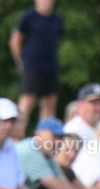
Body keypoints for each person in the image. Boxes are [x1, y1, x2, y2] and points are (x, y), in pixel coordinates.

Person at [9, 0, 63, 135]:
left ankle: (46, 139)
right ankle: (16, 137)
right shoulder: (28, 17)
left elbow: (56, 40)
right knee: (26, 105)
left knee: (49, 106)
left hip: (51, 67)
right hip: (32, 66)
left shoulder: (56, 19)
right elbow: (15, 40)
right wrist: (21, 63)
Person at [0, 98, 32, 189]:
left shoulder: (10, 146)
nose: (8, 126)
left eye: (12, 121)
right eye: (3, 121)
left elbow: (19, 181)